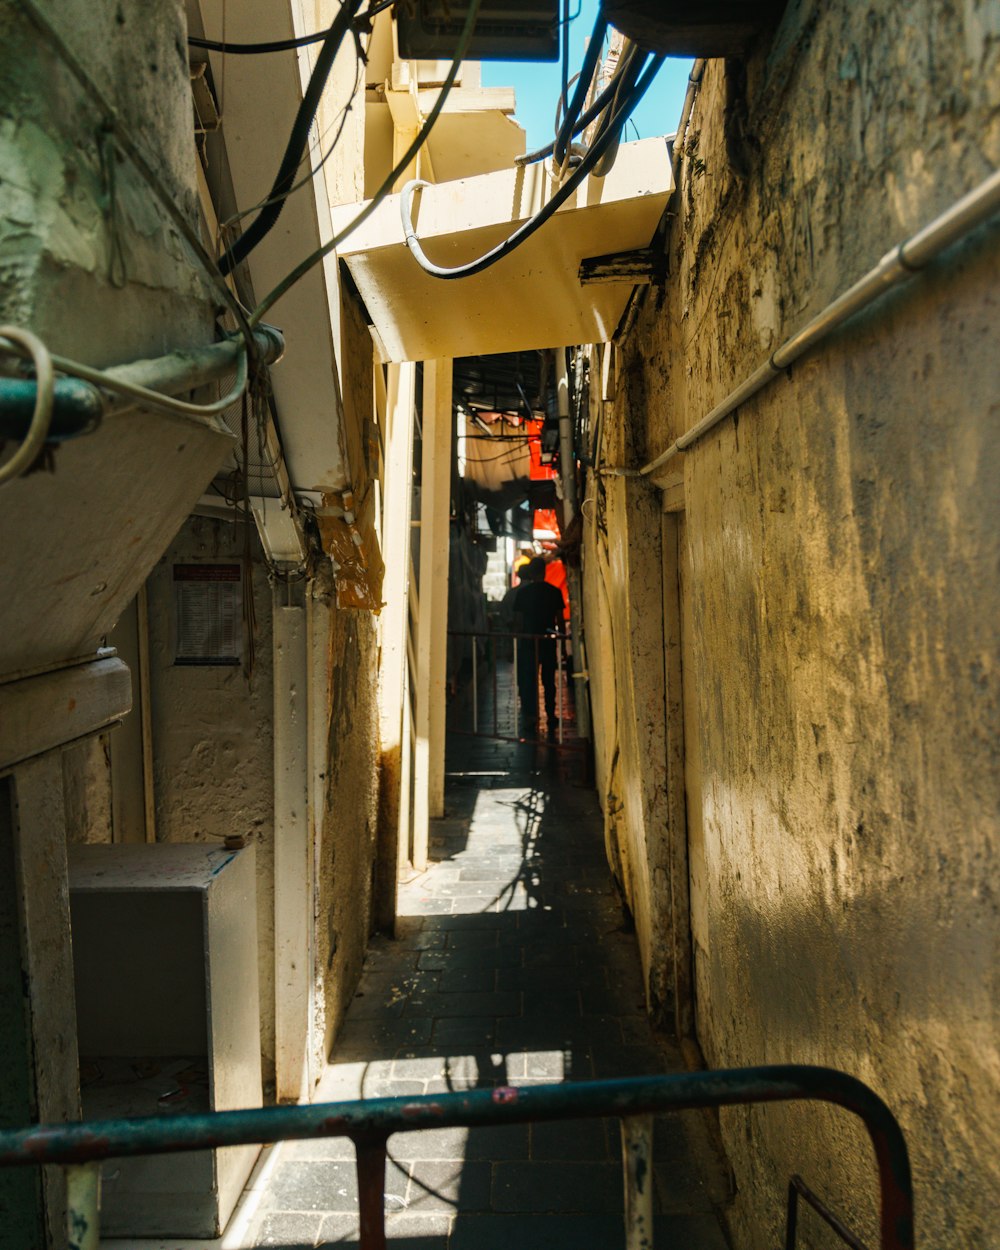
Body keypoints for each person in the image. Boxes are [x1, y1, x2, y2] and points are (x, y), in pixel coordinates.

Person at [511, 557, 565, 736]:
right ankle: (550, 714)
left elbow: (518, 622)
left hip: (528, 642)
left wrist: (518, 642)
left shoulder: (523, 594)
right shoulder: (554, 592)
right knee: (549, 681)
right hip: (548, 642)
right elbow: (560, 621)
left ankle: (531, 716)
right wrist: (563, 646)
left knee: (529, 680)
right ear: (544, 571)